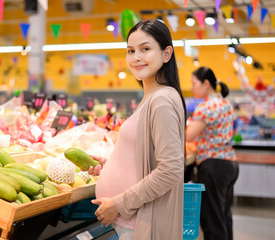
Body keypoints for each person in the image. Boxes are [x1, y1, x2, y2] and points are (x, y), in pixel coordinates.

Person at [88, 19, 187, 240]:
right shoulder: (151, 97)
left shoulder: (161, 100)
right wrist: (109, 166)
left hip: (141, 223)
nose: (136, 58)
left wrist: (119, 203)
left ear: (166, 54)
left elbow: (170, 170)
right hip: (131, 221)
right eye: (131, 51)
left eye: (145, 49)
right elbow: (146, 158)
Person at [186, 67, 239, 240]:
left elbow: (188, 135)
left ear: (206, 83)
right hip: (230, 163)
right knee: (223, 216)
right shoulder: (225, 103)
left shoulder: (206, 106)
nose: (192, 88)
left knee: (212, 221)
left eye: (194, 83)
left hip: (213, 165)